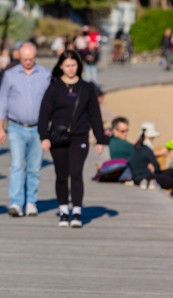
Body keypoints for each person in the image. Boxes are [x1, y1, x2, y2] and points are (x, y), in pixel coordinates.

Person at [37, 50, 108, 228]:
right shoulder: (54, 87)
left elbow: (95, 115)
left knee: (76, 173)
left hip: (79, 136)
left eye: (74, 65)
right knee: (62, 175)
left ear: (79, 66)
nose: (70, 69)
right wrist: (44, 137)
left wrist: (100, 139)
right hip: (58, 137)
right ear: (61, 66)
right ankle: (63, 210)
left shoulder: (87, 88)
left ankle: (76, 211)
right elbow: (44, 114)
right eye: (67, 66)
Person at [0, 42, 51, 217]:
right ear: (20, 56)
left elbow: (51, 103)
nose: (28, 61)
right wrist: (0, 127)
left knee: (34, 167)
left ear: (35, 57)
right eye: (25, 58)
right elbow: (2, 100)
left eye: (31, 59)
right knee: (17, 165)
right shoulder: (11, 75)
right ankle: (16, 202)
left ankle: (31, 202)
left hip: (38, 128)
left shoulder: (45, 74)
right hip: (15, 127)